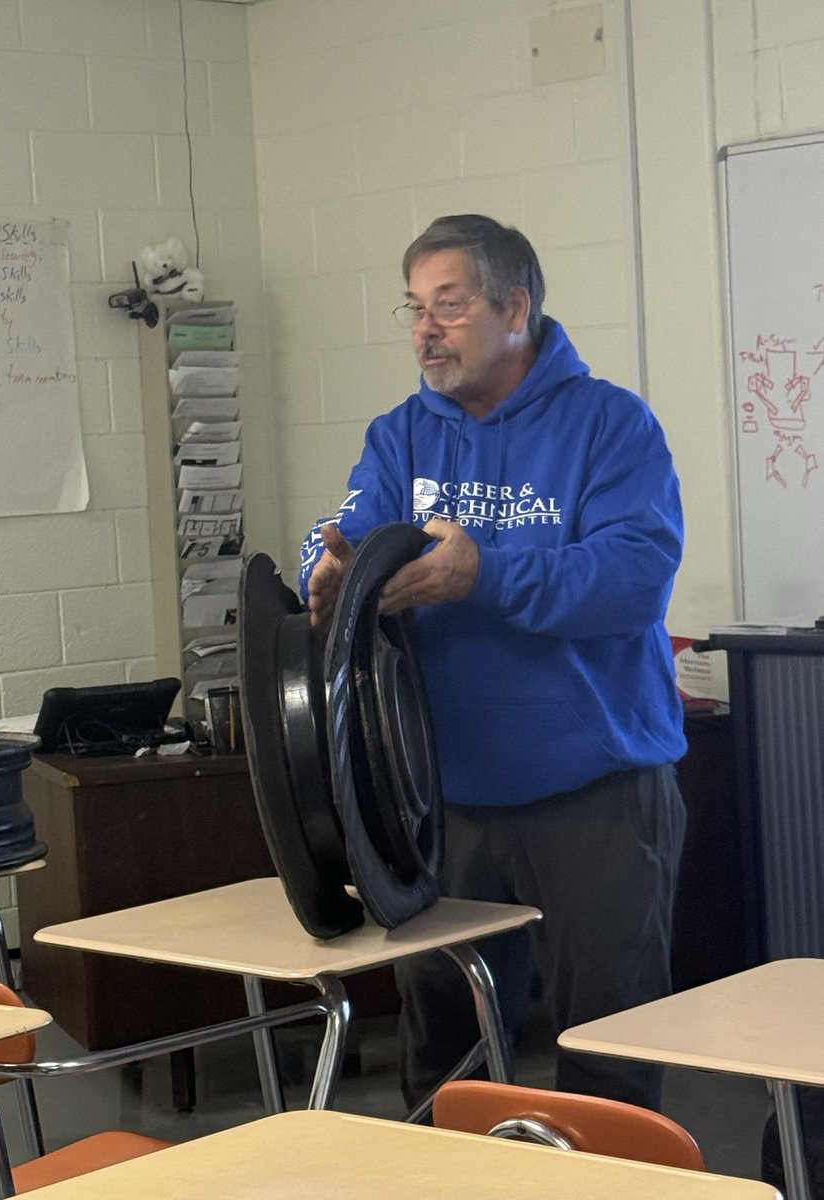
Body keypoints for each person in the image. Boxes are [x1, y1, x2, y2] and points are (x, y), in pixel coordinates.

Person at [297, 213, 688, 1115]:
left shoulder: (611, 425)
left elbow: (631, 579)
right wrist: (333, 572)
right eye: (415, 308)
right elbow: (354, 529)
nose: (425, 329)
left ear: (515, 308)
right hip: (447, 799)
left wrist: (486, 573)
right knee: (446, 1045)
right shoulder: (401, 434)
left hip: (596, 788)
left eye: (450, 305)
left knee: (609, 1040)